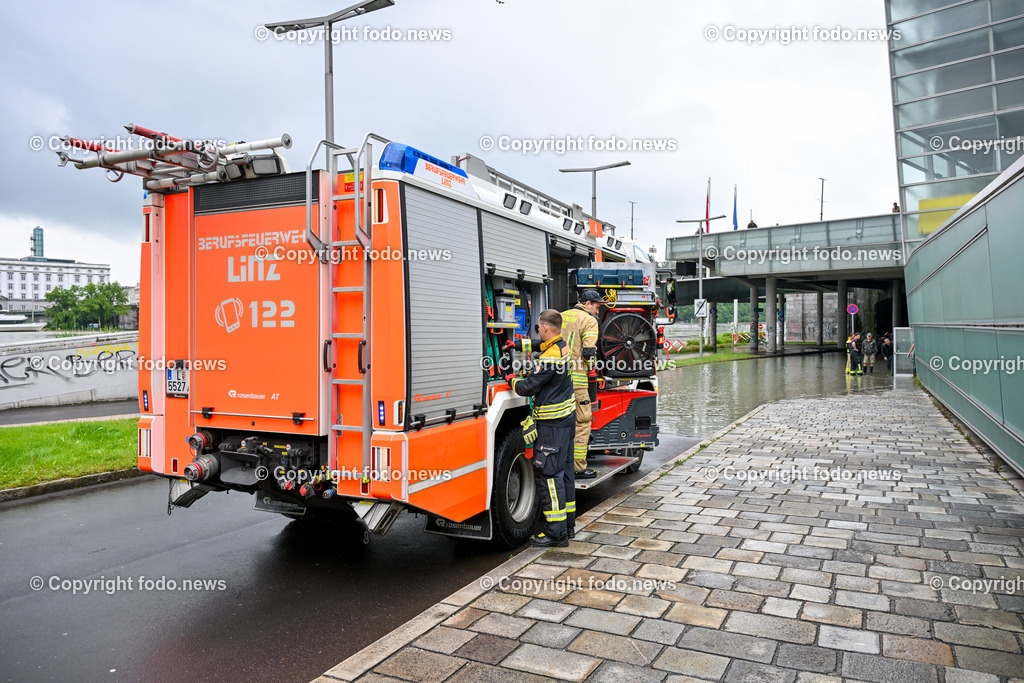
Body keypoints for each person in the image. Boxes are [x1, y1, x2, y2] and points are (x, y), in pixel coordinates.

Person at [505, 309, 576, 547]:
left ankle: (555, 534)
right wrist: (517, 344)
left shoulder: (550, 358)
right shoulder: (562, 346)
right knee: (565, 473)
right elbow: (540, 344)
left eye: (538, 328)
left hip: (552, 425)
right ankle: (567, 526)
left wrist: (510, 378)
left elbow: (526, 387)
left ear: (545, 327)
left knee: (549, 477)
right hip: (566, 421)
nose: (538, 331)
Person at [559, 290, 603, 480]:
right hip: (576, 382)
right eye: (596, 306)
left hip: (555, 379)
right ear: (587, 304)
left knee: (559, 422)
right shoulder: (589, 320)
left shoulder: (561, 316)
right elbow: (588, 352)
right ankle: (578, 468)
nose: (598, 311)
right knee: (582, 422)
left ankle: (558, 463)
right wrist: (592, 367)